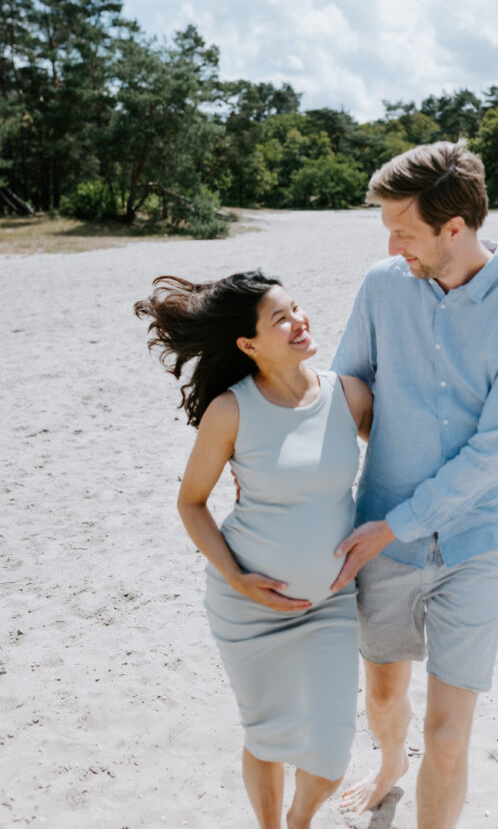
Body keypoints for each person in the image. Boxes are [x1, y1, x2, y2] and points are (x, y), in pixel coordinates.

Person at [328, 141, 498, 828]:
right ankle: (385, 764)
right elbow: (350, 388)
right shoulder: (381, 284)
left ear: (453, 228)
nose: (391, 243)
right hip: (380, 538)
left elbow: (493, 454)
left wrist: (393, 526)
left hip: (473, 539)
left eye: (402, 230)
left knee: (447, 735)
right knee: (381, 694)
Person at [134, 271, 372, 829]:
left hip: (332, 604)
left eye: (296, 307)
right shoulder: (231, 411)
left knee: (332, 755)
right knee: (268, 736)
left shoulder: (349, 395)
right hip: (247, 610)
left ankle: (299, 817)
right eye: (280, 318)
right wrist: (238, 577)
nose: (299, 321)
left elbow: (397, 464)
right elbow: (191, 503)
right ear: (249, 345)